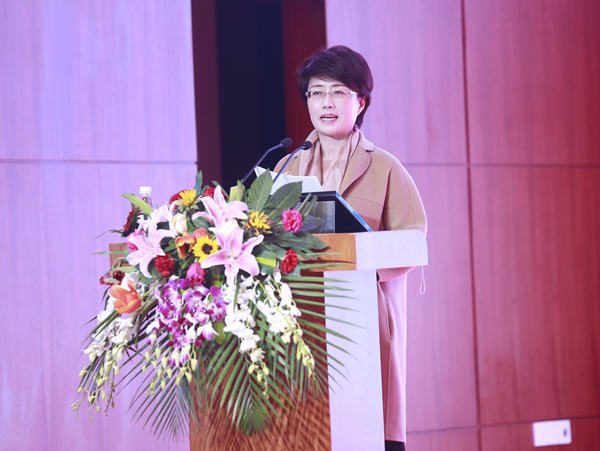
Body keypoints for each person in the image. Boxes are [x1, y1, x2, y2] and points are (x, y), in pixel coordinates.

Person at [274, 45, 427, 451]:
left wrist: (356, 261)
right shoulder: (285, 168)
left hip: (363, 321)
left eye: (338, 91)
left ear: (360, 102)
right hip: (300, 323)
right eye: (316, 92)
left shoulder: (386, 167)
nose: (326, 102)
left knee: (368, 429)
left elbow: (412, 241)